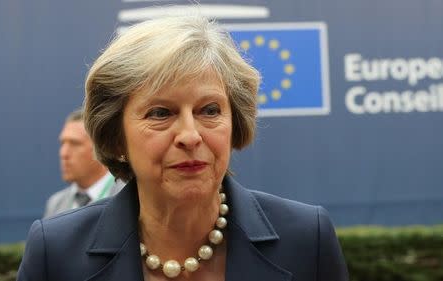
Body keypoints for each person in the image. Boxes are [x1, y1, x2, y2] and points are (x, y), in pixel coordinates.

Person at [18, 15, 348, 281]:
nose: (190, 135)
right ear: (116, 137)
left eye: (209, 110)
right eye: (161, 113)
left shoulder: (307, 239)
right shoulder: (57, 252)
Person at [43, 109, 124, 218]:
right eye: (63, 143)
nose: (63, 153)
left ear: (101, 147)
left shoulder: (128, 196)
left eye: (75, 143)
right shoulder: (56, 204)